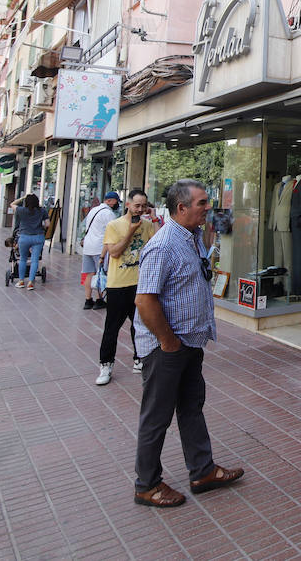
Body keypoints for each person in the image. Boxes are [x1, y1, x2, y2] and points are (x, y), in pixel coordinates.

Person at [132, 179, 243, 507]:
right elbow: (144, 300)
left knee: (191, 406)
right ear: (181, 208)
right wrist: (168, 342)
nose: (208, 207)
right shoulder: (164, 244)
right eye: (202, 203)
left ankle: (202, 470)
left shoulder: (192, 238)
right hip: (168, 348)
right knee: (157, 416)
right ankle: (146, 484)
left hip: (189, 344)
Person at [96, 189, 157, 386]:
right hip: (118, 284)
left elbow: (157, 246)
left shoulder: (147, 225)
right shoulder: (114, 225)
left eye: (144, 206)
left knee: (140, 324)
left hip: (140, 283)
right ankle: (106, 364)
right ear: (128, 204)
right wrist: (130, 231)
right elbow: (113, 252)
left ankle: (139, 358)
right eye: (137, 205)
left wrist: (154, 220)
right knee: (112, 326)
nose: (140, 209)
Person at [82, 191, 121, 310]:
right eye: (116, 201)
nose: (117, 204)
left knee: (89, 274)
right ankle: (100, 299)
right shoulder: (108, 214)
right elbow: (114, 232)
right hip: (100, 247)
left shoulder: (93, 210)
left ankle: (88, 300)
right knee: (102, 274)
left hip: (87, 246)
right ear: (110, 201)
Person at [13, 194, 47, 291]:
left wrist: (21, 198)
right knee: (34, 260)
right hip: (38, 237)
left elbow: (12, 204)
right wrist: (41, 227)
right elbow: (47, 224)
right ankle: (31, 282)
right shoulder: (42, 211)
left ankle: (21, 281)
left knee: (23, 259)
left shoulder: (22, 210)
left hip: (24, 237)